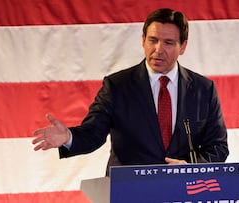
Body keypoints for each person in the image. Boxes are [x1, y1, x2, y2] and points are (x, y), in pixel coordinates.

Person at [32, 8, 229, 175]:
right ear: (143, 40)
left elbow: (218, 147)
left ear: (183, 46)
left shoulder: (204, 89)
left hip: (182, 191)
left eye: (168, 43)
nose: (158, 49)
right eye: (153, 40)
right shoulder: (117, 86)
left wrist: (191, 168)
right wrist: (69, 138)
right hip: (128, 190)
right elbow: (94, 133)